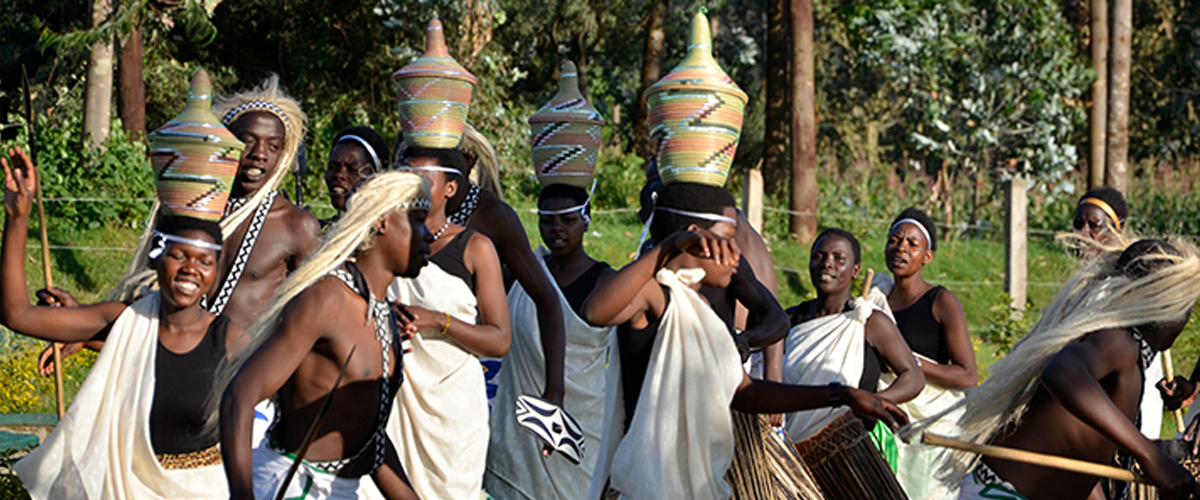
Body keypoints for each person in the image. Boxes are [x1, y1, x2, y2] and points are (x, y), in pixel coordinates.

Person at [583, 185, 908, 499]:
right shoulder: (657, 296)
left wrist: (843, 395)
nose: (737, 253)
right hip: (649, 483)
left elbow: (745, 392)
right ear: (694, 238)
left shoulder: (704, 312)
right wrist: (670, 247)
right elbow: (595, 311)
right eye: (727, 241)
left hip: (700, 482)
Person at [3, 147, 245, 500]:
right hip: (121, 489)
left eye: (204, 261)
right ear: (157, 259)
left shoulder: (231, 340)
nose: (191, 268)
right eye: (179, 255)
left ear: (216, 272)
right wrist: (17, 218)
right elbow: (17, 315)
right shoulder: (126, 321)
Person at [40, 75, 320, 372]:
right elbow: (151, 303)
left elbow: (306, 325)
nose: (259, 155)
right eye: (247, 141)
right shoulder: (186, 207)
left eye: (273, 146)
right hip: (170, 372)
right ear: (226, 142)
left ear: (284, 154)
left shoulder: (297, 227)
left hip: (241, 378)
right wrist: (83, 329)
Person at [902, 238, 1200, 500]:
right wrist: (1150, 457)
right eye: (1186, 307)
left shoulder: (1126, 354)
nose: (1186, 318)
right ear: (1164, 305)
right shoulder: (1120, 341)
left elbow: (1079, 445)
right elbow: (1063, 371)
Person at [219, 172, 432, 500]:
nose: (429, 235)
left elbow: (368, 436)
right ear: (382, 222)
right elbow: (240, 396)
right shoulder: (327, 299)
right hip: (289, 487)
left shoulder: (384, 315)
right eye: (419, 220)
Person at [361, 147, 510, 500]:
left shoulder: (475, 247)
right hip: (390, 401)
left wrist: (438, 321)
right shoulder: (379, 240)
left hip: (451, 415)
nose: (413, 186)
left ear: (450, 188)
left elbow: (499, 339)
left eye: (423, 179)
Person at [483, 183, 617, 500]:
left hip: (583, 419)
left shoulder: (606, 281)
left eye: (568, 220)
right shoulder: (522, 273)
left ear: (586, 220)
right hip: (522, 424)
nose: (557, 229)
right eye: (547, 221)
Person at [783, 227, 924, 451]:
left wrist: (874, 401)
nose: (827, 263)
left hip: (849, 449)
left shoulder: (868, 321)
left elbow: (914, 377)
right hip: (793, 446)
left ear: (855, 270)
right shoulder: (791, 319)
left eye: (839, 259)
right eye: (819, 256)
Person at [879, 208, 976, 498]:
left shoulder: (941, 302)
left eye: (912, 244)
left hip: (930, 424)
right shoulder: (875, 300)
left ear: (927, 256)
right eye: (895, 240)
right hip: (886, 414)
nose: (901, 248)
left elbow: (968, 375)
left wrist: (909, 363)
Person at [323, 126, 389, 228]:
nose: (339, 175)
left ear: (375, 177)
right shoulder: (316, 230)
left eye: (351, 169)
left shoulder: (383, 234)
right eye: (332, 167)